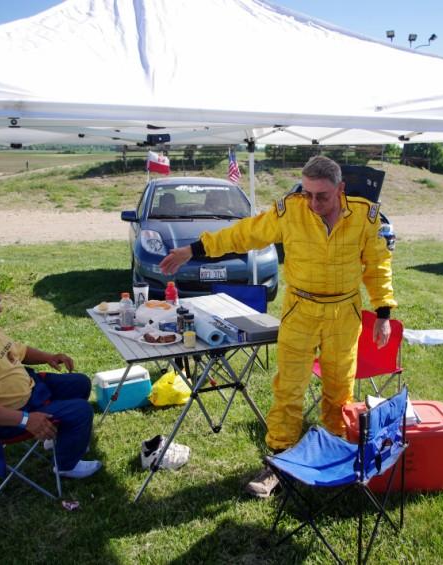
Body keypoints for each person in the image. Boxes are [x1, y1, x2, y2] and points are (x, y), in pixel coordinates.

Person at [160, 155, 396, 497]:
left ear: (341, 189)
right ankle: (279, 463)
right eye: (308, 193)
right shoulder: (291, 211)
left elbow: (377, 265)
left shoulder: (364, 216)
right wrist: (194, 249)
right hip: (300, 310)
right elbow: (244, 235)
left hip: (344, 314)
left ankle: (333, 459)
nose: (313, 203)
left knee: (339, 391)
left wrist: (384, 311)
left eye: (323, 196)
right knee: (289, 389)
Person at [0, 274, 102, 479]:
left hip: (31, 390)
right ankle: (66, 465)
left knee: (80, 383)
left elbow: (17, 351)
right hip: (6, 418)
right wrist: (26, 420)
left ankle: (59, 438)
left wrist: (49, 357)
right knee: (81, 411)